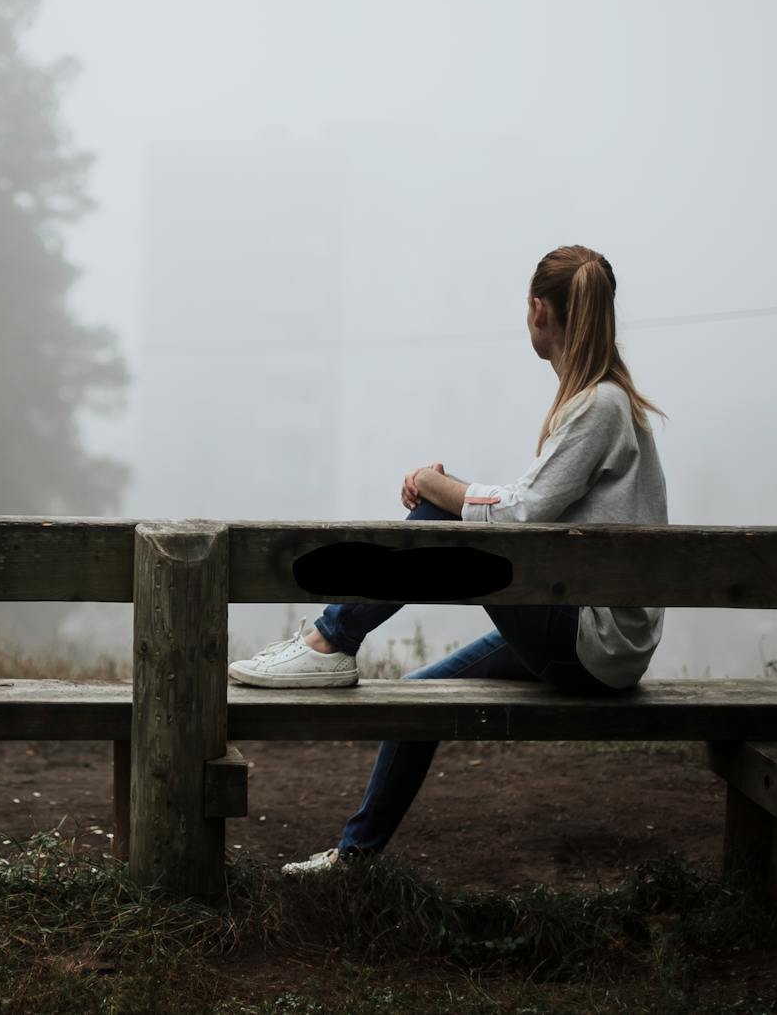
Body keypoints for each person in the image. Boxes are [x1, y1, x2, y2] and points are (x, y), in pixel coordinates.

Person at [223, 244, 669, 873]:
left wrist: (438, 489)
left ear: (539, 311)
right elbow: (531, 509)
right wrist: (451, 490)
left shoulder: (598, 406)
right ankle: (356, 859)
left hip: (592, 643)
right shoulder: (607, 404)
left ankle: (330, 641)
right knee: (420, 694)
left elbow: (520, 514)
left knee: (437, 518)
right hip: (601, 638)